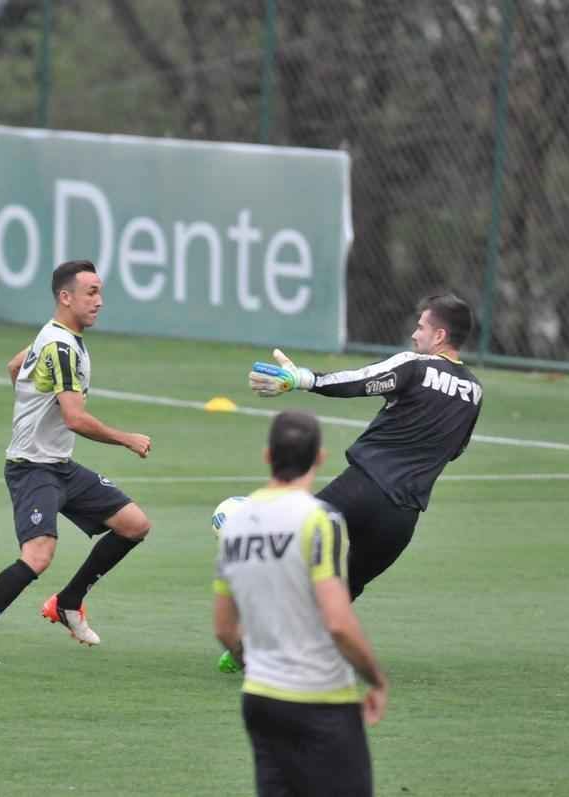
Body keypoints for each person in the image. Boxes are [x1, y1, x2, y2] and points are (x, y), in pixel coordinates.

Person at [0, 260, 153, 665]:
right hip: (32, 468)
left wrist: (30, 406)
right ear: (66, 297)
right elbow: (75, 419)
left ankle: (68, 602)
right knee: (39, 555)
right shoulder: (60, 347)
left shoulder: (54, 335)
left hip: (59, 466)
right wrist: (126, 439)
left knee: (134, 525)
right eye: (91, 292)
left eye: (100, 292)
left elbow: (14, 367)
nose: (100, 301)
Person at [246, 293, 483, 601]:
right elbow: (455, 450)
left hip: (360, 490)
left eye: (421, 327)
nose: (414, 333)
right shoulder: (475, 391)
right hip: (401, 520)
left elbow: (359, 381)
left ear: (439, 336)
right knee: (336, 596)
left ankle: (241, 639)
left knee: (284, 551)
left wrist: (303, 379)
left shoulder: (415, 366)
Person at [213, 410, 387, 797]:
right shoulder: (320, 519)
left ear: (266, 455)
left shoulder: (235, 525)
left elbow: (224, 628)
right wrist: (375, 679)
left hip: (260, 699)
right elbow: (339, 623)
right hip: (320, 699)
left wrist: (253, 664)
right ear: (320, 458)